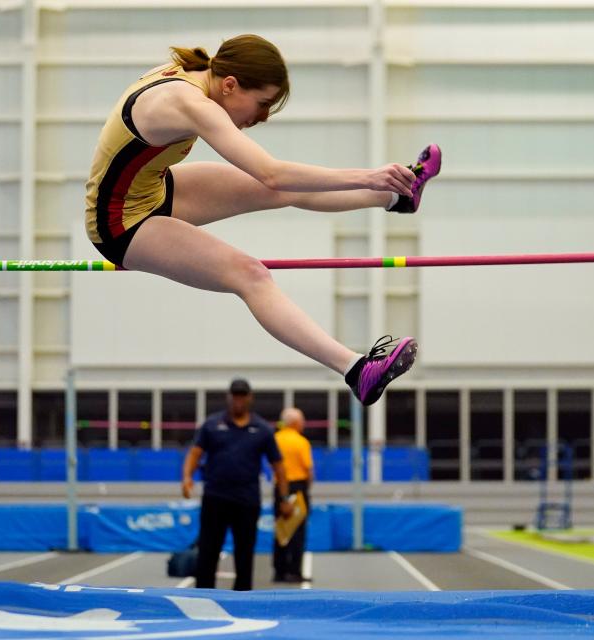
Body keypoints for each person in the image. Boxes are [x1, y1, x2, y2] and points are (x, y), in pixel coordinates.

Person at [84, 34, 440, 407]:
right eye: (262, 103)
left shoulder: (201, 76)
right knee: (250, 274)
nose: (262, 117)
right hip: (119, 222)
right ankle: (356, 370)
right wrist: (366, 174)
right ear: (230, 85)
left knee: (280, 191)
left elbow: (275, 182)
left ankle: (397, 196)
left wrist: (376, 183)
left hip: (150, 190)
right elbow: (272, 172)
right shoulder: (189, 103)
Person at [181, 378, 293, 590]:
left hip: (247, 501)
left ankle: (242, 600)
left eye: (243, 395)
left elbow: (278, 466)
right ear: (229, 397)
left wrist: (285, 498)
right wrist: (187, 477)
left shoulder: (262, 429)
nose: (239, 400)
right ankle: (203, 596)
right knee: (208, 551)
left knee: (244, 554)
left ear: (249, 397)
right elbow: (195, 453)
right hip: (215, 498)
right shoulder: (212, 425)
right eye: (235, 395)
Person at [272, 406, 313, 583]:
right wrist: (307, 488)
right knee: (297, 532)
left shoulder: (275, 439)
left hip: (279, 488)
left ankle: (279, 570)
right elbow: (308, 469)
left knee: (281, 530)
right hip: (298, 487)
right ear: (295, 423)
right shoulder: (301, 441)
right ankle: (295, 570)